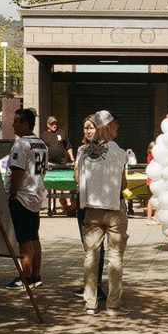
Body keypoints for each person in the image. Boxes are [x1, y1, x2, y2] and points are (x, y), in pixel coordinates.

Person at [75, 110, 129, 315]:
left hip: (91, 209)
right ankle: (113, 305)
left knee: (90, 255)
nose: (117, 128)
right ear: (107, 127)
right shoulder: (119, 151)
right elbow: (123, 183)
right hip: (114, 208)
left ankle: (90, 303)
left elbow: (78, 178)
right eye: (114, 125)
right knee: (115, 256)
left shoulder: (83, 151)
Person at [3, 108, 48, 289]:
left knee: (24, 239)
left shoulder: (21, 145)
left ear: (26, 124)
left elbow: (18, 171)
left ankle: (25, 277)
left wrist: (12, 193)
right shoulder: (41, 143)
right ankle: (36, 275)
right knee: (33, 236)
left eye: (16, 121)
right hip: (35, 195)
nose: (13, 124)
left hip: (22, 196)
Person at [72, 114, 107, 302]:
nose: (88, 131)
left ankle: (96, 286)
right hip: (83, 200)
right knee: (88, 245)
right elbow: (76, 175)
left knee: (96, 245)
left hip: (97, 202)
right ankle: (91, 283)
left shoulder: (105, 150)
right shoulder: (81, 149)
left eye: (92, 127)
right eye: (86, 127)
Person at [43, 115, 75, 215]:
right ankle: (51, 206)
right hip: (51, 163)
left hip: (63, 162)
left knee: (66, 181)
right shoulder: (44, 135)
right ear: (48, 125)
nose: (54, 125)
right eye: (52, 124)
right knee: (52, 183)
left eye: (55, 123)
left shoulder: (62, 133)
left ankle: (69, 204)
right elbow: (42, 149)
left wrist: (72, 158)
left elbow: (68, 146)